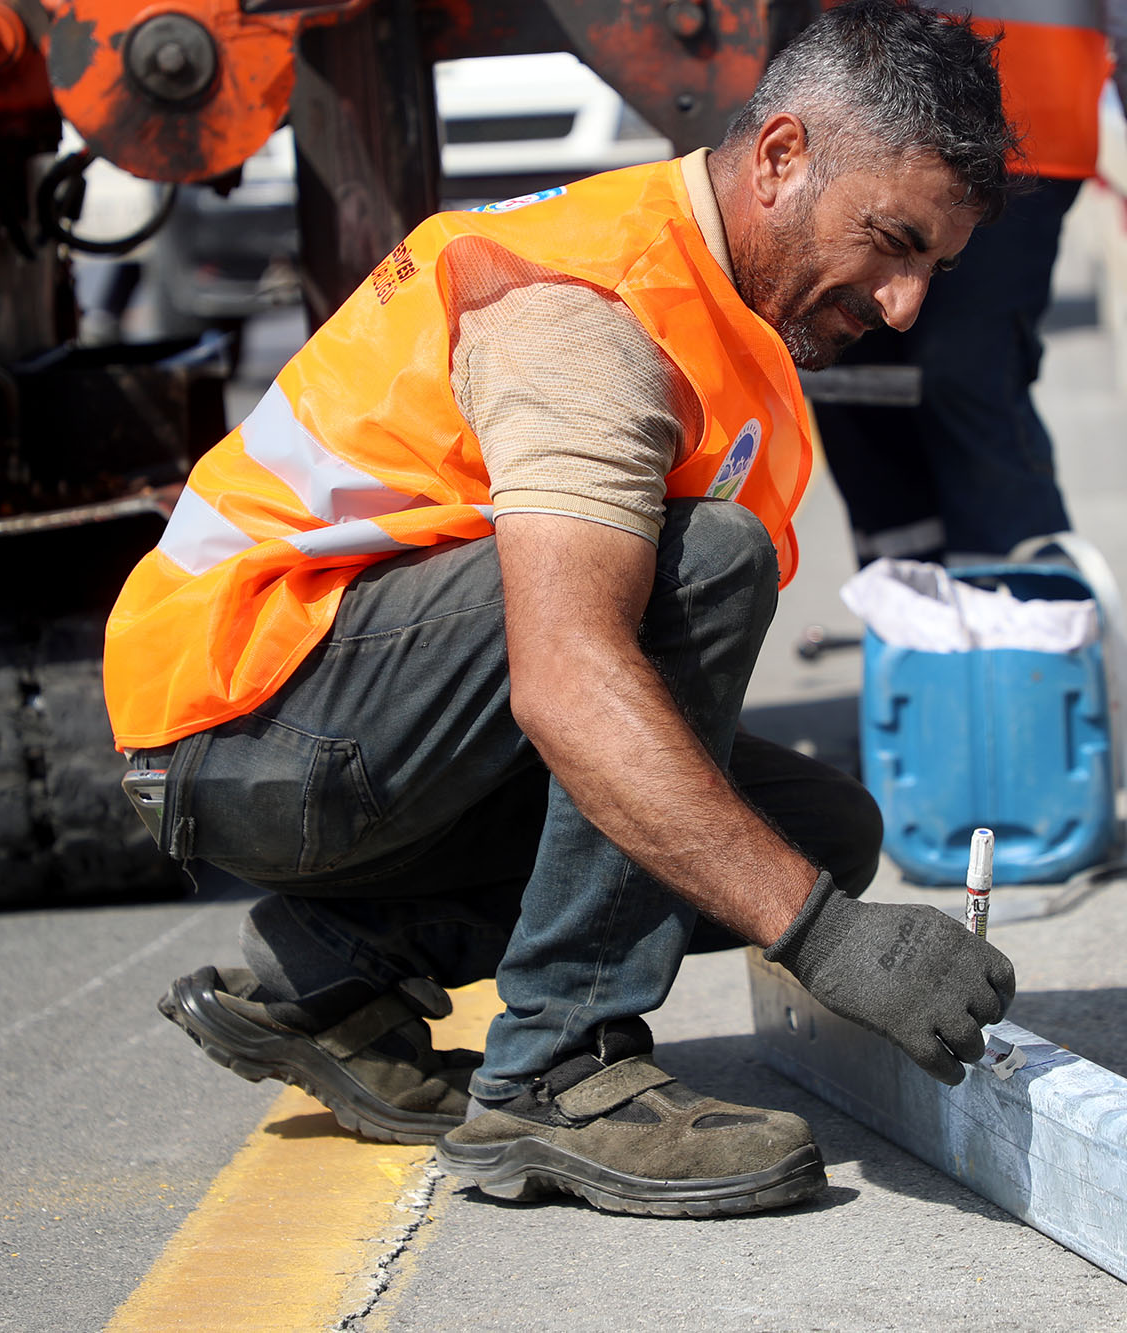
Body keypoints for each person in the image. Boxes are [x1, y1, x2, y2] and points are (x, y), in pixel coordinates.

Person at [103, 0, 1019, 1219]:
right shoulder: (591, 314)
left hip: (347, 713)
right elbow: (567, 677)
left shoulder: (720, 305)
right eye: (890, 242)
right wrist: (825, 943)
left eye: (930, 270)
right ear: (782, 155)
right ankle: (558, 1072)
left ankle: (329, 971)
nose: (904, 305)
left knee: (815, 827)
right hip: (246, 710)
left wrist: (808, 896)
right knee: (704, 567)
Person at [813, 0, 1127, 566]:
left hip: (1020, 126)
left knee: (968, 372)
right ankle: (914, 620)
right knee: (847, 375)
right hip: (854, 105)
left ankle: (1022, 616)